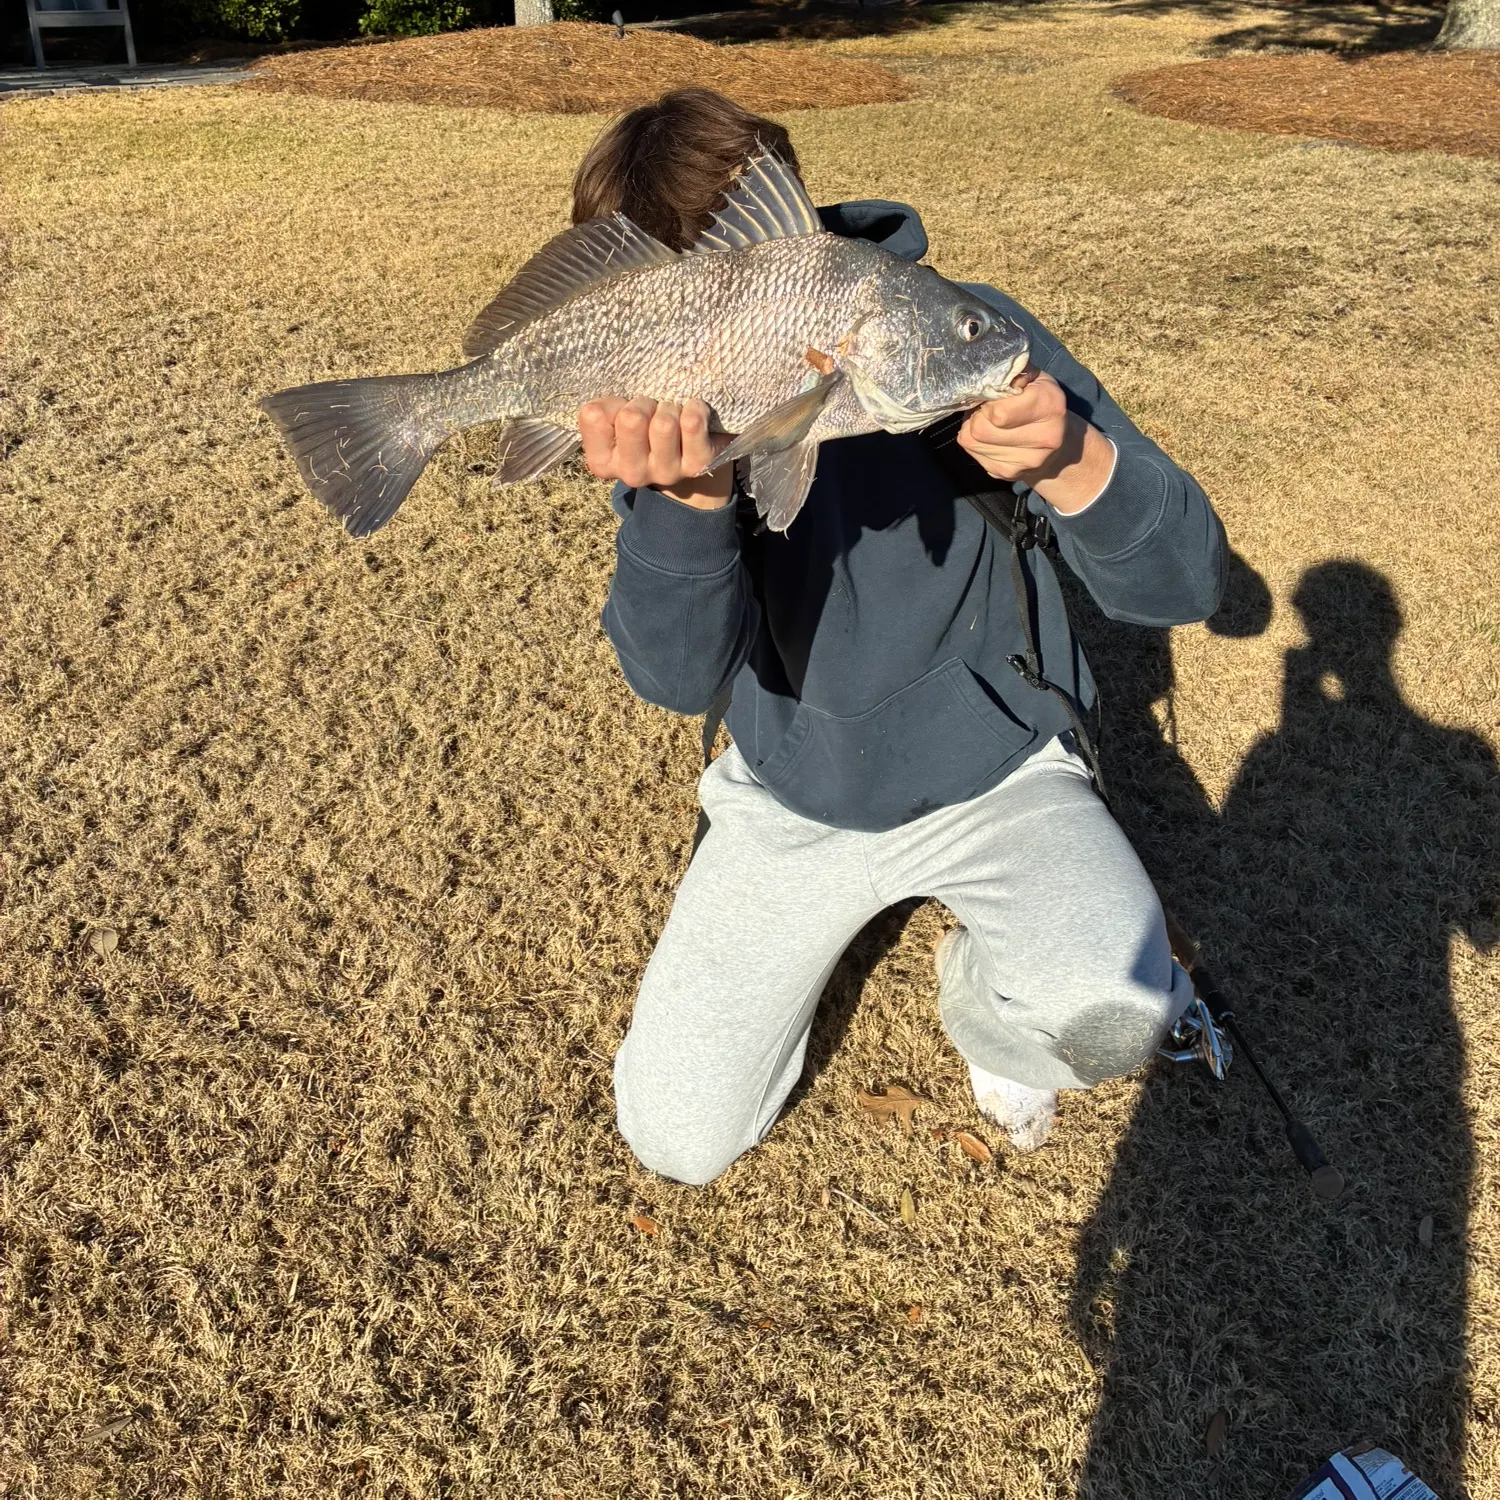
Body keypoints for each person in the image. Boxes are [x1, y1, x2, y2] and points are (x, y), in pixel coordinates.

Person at [571, 88, 1227, 1186]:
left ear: (794, 236)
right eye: (679, 320)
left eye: (744, 294)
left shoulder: (972, 332)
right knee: (676, 1137)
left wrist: (1074, 462)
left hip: (1001, 768)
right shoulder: (661, 403)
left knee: (1117, 1005)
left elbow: (1186, 582)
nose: (722, 344)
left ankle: (985, 993)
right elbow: (678, 678)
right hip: (792, 791)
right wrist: (687, 508)